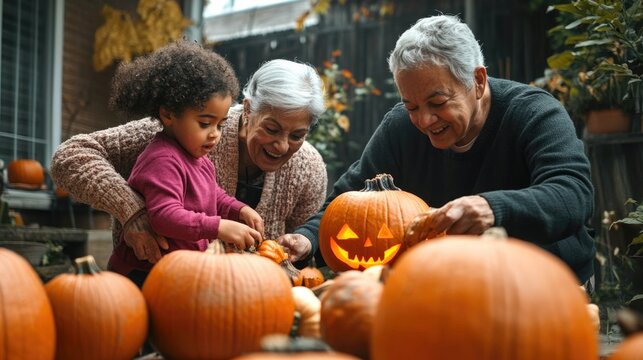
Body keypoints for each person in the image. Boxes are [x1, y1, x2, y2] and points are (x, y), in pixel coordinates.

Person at [288, 14, 595, 285]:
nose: (423, 120)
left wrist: (492, 208)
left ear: (477, 80)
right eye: (411, 106)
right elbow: (347, 198)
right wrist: (308, 238)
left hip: (546, 280)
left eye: (437, 103)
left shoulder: (534, 113)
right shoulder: (400, 127)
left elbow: (573, 193)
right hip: (450, 283)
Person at [51, 53, 327, 268]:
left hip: (246, 298)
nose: (281, 145)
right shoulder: (189, 128)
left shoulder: (308, 170)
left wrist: (301, 245)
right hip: (159, 278)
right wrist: (132, 211)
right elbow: (71, 156)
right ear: (248, 109)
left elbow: (303, 260)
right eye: (272, 128)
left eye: (297, 135)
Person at [94, 41, 265, 287]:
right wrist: (218, 226)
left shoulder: (198, 158)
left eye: (221, 124)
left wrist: (239, 209)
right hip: (144, 274)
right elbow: (165, 216)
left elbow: (212, 194)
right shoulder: (162, 159)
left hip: (179, 272)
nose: (215, 134)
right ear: (168, 115)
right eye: (205, 123)